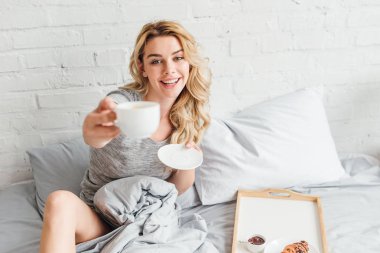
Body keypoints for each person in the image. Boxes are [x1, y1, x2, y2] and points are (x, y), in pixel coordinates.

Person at [39, 20, 212, 253]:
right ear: (142, 67)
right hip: (99, 219)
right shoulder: (124, 104)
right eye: (156, 60)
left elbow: (176, 189)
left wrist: (189, 162)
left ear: (188, 62)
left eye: (178, 58)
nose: (169, 69)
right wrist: (93, 131)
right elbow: (96, 135)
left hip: (145, 219)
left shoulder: (187, 115)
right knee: (59, 201)